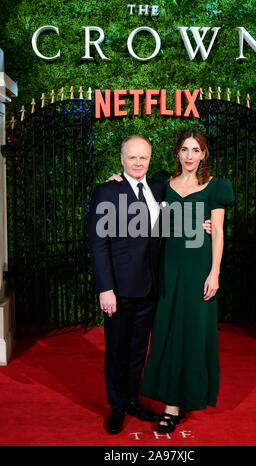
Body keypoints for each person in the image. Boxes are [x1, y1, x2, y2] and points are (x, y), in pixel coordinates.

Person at [88, 133, 214, 434]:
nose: (137, 162)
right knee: (116, 350)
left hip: (150, 286)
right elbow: (97, 243)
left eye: (143, 157)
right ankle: (117, 406)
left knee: (137, 349)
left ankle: (132, 399)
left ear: (150, 159)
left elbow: (178, 215)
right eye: (132, 157)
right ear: (122, 160)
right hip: (118, 288)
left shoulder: (158, 187)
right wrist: (105, 288)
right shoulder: (107, 191)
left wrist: (203, 223)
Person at [140, 129, 235, 433]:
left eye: (196, 150)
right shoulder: (162, 183)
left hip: (199, 269)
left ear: (204, 154)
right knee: (167, 332)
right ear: (177, 153)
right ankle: (170, 403)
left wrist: (215, 272)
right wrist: (117, 178)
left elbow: (218, 231)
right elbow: (135, 187)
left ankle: (187, 398)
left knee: (194, 334)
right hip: (169, 267)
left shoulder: (215, 187)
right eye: (185, 149)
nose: (190, 156)